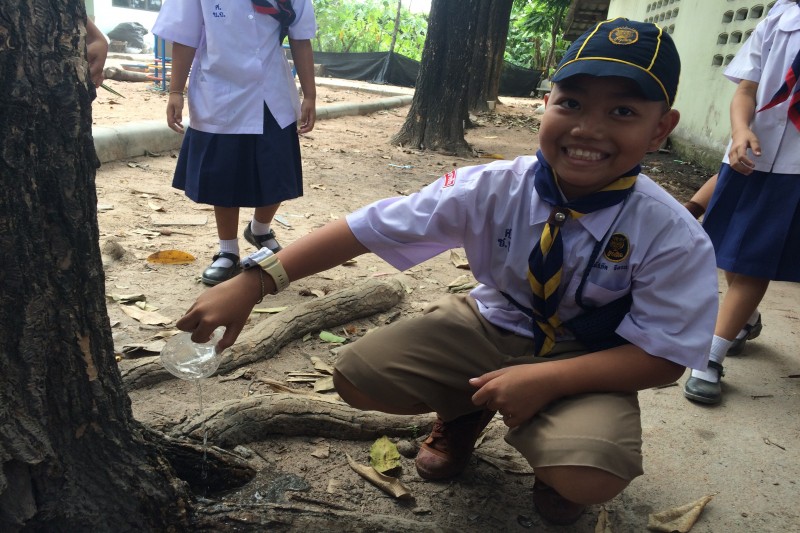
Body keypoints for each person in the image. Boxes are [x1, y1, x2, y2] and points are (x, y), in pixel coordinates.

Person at [176, 19, 718, 526]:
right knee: (359, 375)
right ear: (545, 104)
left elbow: (664, 357)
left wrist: (548, 379)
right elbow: (368, 228)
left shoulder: (671, 234)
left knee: (587, 477)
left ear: (660, 129)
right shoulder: (491, 187)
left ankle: (556, 450)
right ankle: (464, 412)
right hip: (491, 322)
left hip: (587, 356)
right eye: (571, 102)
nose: (588, 128)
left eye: (622, 111)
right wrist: (254, 281)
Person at [152, 0, 317, 286]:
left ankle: (260, 229)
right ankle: (227, 251)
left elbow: (301, 38)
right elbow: (185, 36)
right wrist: (175, 91)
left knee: (277, 169)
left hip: (271, 90)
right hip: (220, 88)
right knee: (224, 174)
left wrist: (310, 95)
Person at [684, 0, 800, 404]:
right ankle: (745, 320)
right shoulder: (779, 19)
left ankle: (709, 358)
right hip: (748, 153)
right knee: (732, 257)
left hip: (794, 170)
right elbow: (746, 89)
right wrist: (739, 131)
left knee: (752, 264)